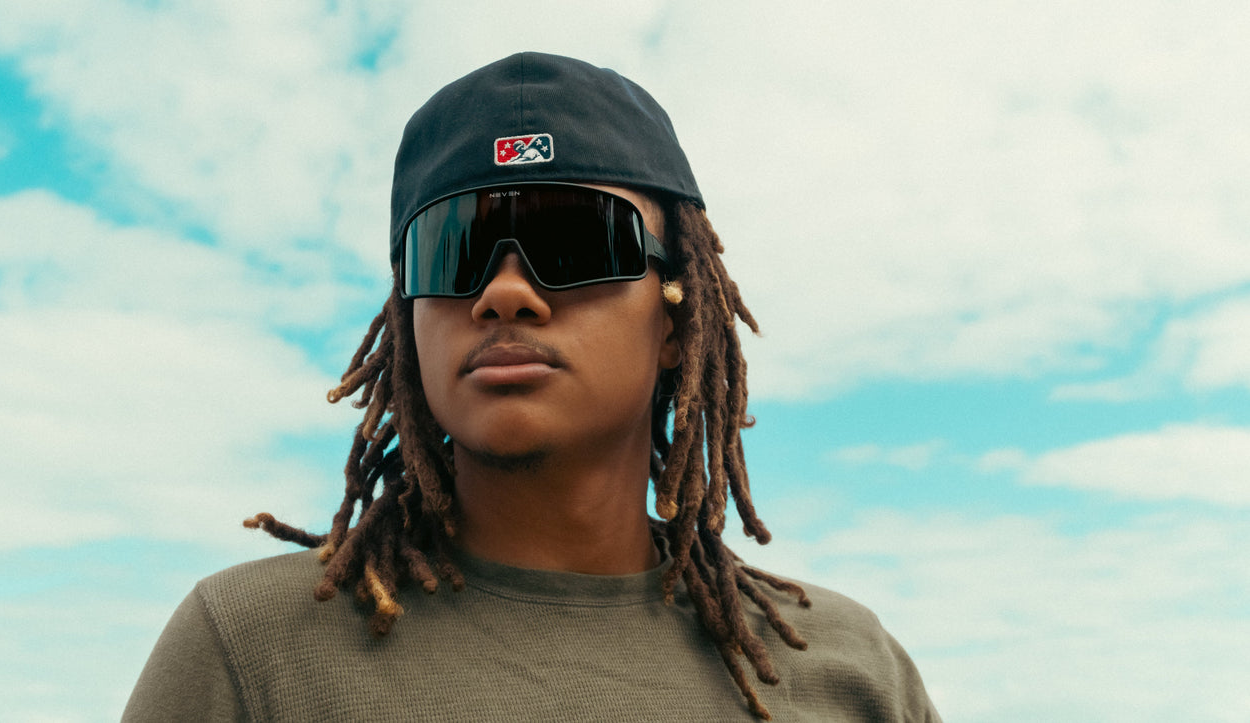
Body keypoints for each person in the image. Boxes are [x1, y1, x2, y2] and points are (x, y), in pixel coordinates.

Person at [124, 52, 940, 722]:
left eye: (576, 239)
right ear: (407, 322)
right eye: (452, 248)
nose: (504, 291)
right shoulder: (248, 651)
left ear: (675, 318)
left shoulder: (851, 671)